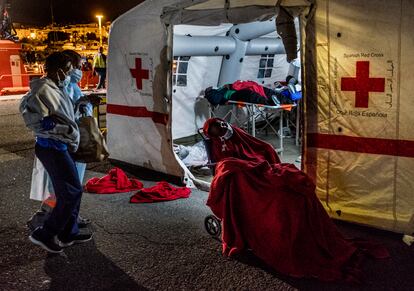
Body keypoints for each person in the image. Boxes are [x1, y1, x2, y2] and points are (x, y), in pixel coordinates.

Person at [203, 118, 388, 282]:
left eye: (221, 124)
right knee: (287, 198)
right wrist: (252, 170)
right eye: (218, 129)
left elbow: (262, 150)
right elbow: (225, 169)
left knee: (298, 191)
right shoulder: (222, 152)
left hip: (262, 174)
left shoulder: (238, 135)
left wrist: (263, 167)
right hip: (248, 184)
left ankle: (308, 237)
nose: (223, 128)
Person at [20, 52, 92, 253]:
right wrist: (48, 126)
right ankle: (45, 234)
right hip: (53, 146)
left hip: (62, 145)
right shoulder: (43, 88)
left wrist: (82, 105)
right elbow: (30, 115)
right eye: (69, 69)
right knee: (70, 192)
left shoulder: (57, 87)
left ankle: (68, 233)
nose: (71, 73)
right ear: (59, 70)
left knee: (72, 190)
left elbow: (65, 113)